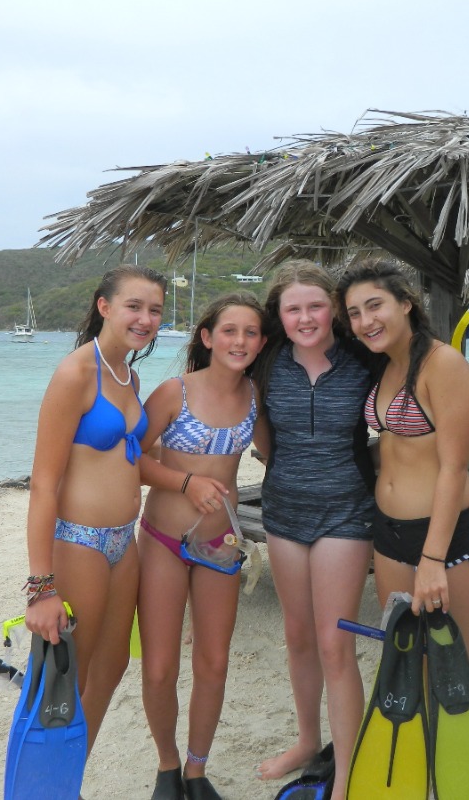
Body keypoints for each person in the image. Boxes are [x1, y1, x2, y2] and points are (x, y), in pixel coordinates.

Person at [24, 264, 167, 766]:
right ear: (105, 307)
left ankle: (69, 775)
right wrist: (41, 588)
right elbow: (43, 485)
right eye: (134, 306)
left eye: (155, 310)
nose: (145, 318)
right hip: (78, 540)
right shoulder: (76, 374)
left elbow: (130, 459)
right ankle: (40, 784)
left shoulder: (129, 374)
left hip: (123, 541)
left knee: (112, 666)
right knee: (68, 675)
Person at [251, 261, 376, 799]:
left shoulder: (363, 360)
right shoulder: (266, 362)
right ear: (279, 316)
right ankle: (307, 741)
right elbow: (258, 434)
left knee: (334, 642)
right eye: (293, 309)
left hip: (345, 511)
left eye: (315, 306)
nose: (305, 318)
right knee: (298, 635)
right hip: (283, 511)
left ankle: (346, 770)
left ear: (334, 310)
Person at [136, 293, 267, 800]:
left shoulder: (255, 397)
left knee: (213, 662)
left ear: (262, 342)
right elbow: (132, 459)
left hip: (221, 544)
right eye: (229, 330)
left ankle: (196, 769)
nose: (240, 340)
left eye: (251, 332)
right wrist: (185, 482)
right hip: (163, 541)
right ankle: (167, 766)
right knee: (160, 666)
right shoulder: (175, 392)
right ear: (208, 337)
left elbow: (277, 452)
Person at [337, 259, 469, 659]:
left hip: (447, 539)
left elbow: (454, 467)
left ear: (406, 303)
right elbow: (396, 445)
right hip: (389, 533)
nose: (365, 321)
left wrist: (432, 559)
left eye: (375, 306)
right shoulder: (386, 365)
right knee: (404, 666)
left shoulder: (443, 363)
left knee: (455, 671)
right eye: (355, 313)